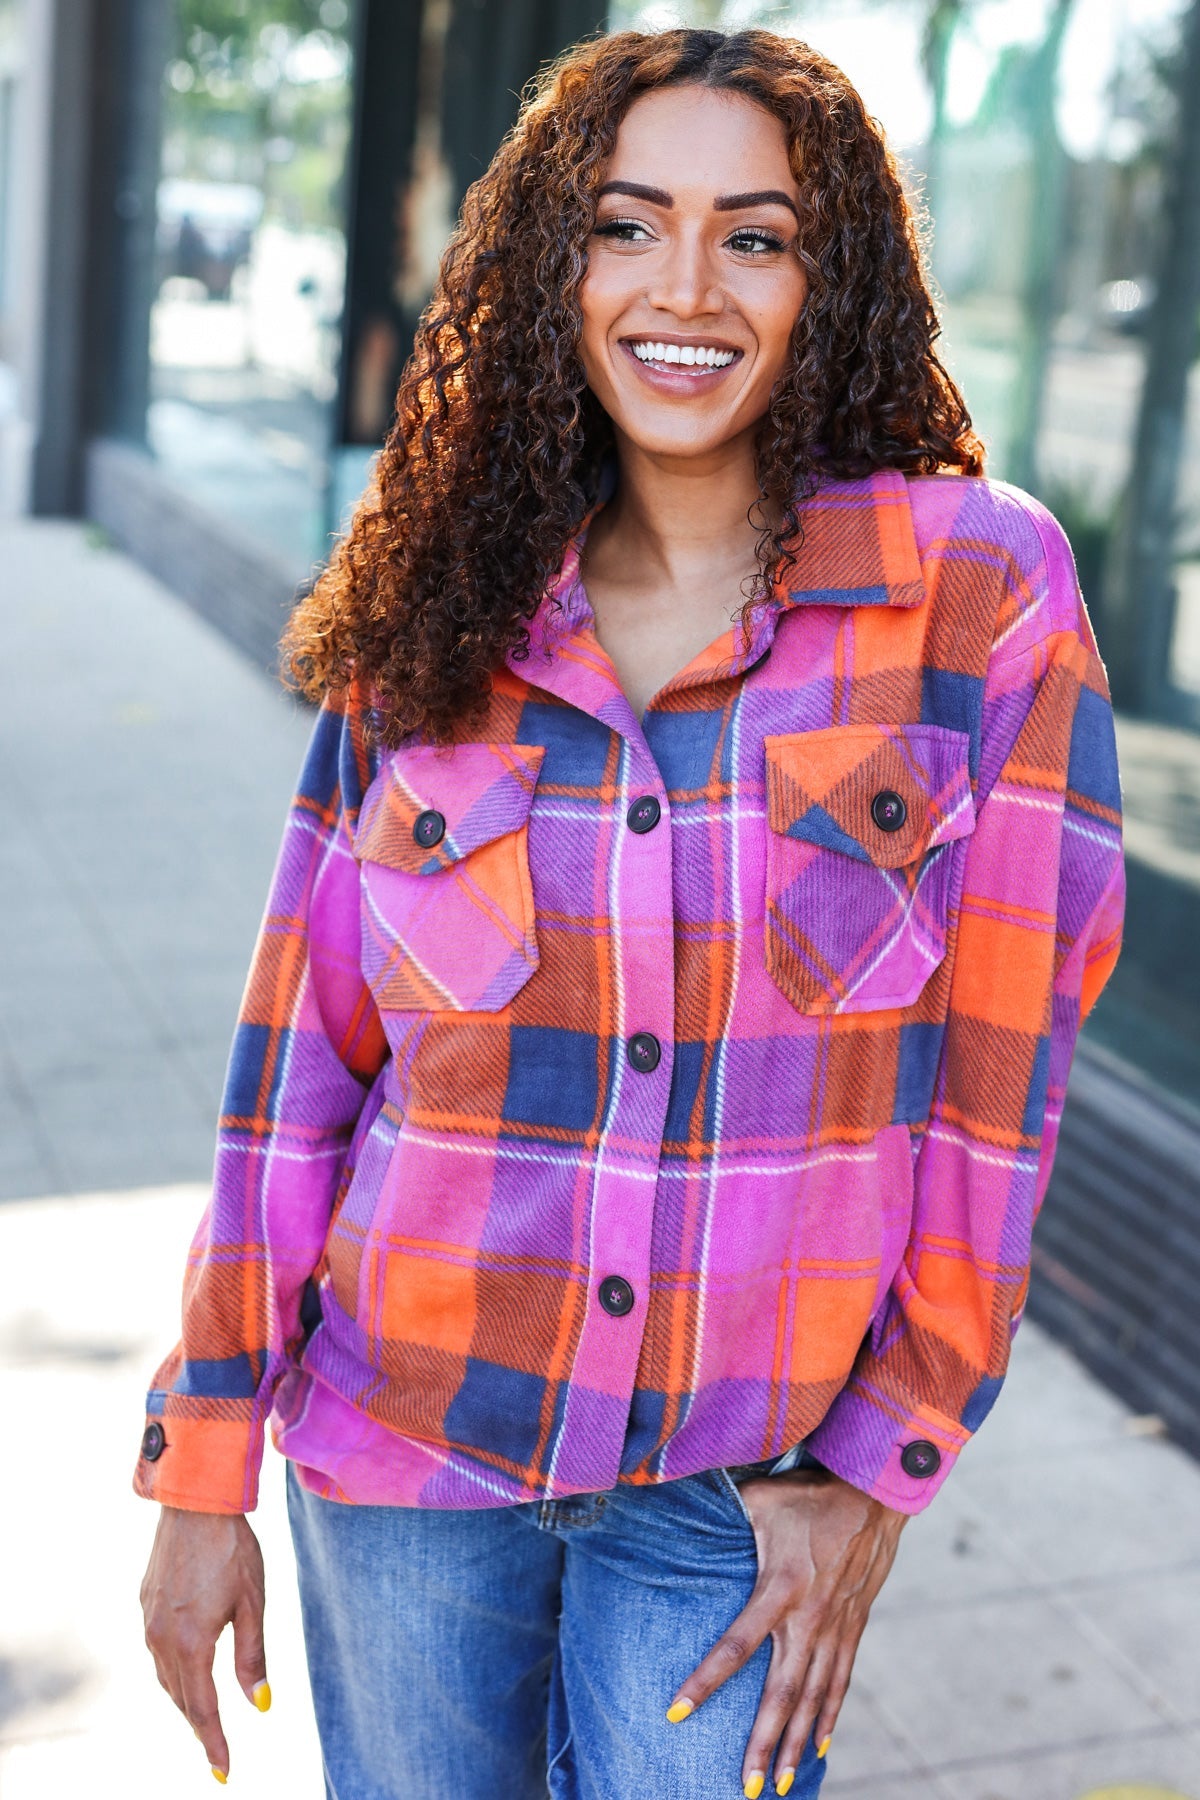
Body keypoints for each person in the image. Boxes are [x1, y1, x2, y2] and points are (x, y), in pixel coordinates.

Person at [136, 26, 1125, 1800]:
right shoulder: (439, 597)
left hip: (736, 1486)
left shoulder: (974, 592)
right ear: (552, 265)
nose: (686, 288)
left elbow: (1002, 1076)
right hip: (403, 1455)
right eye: (625, 226)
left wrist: (886, 1457)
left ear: (834, 282)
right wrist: (207, 1458)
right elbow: (298, 1066)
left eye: (754, 234)